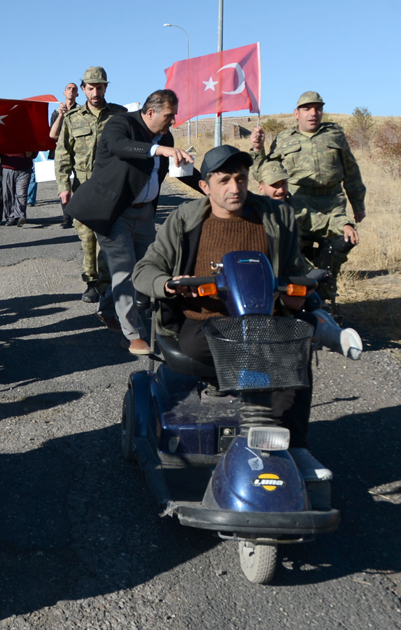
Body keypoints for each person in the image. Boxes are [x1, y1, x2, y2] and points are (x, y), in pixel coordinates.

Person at [132, 145, 330, 479]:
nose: (235, 188)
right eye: (224, 180)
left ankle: (296, 446)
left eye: (241, 178)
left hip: (265, 319)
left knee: (296, 341)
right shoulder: (185, 220)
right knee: (258, 348)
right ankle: (254, 413)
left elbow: (299, 267)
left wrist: (304, 288)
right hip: (204, 321)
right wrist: (167, 284)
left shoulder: (275, 216)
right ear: (205, 186)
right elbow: (145, 269)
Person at [65, 89, 200, 355]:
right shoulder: (121, 123)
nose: (173, 121)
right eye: (169, 115)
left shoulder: (165, 136)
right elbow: (119, 146)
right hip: (115, 212)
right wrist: (159, 149)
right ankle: (134, 333)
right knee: (125, 270)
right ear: (151, 113)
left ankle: (106, 310)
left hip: (145, 214)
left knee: (146, 267)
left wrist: (208, 185)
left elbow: (180, 170)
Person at [249, 91, 364, 301]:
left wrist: (358, 204)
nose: (313, 113)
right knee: (293, 248)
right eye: (307, 109)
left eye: (318, 109)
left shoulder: (335, 134)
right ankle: (297, 292)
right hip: (297, 203)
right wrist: (257, 149)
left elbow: (351, 170)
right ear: (296, 113)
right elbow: (266, 171)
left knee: (336, 247)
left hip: (332, 204)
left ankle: (325, 292)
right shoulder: (284, 138)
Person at [55, 67, 126, 304]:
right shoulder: (72, 119)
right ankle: (91, 282)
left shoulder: (119, 115)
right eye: (91, 87)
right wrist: (64, 186)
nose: (96, 92)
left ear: (106, 87)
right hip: (83, 187)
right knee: (87, 238)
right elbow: (63, 154)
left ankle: (105, 285)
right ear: (84, 89)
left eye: (100, 87)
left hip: (110, 187)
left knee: (105, 236)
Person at [49, 82, 79, 229]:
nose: (71, 91)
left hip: (78, 153)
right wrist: (61, 115)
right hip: (61, 152)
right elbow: (53, 135)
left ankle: (79, 216)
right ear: (64, 93)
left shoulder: (81, 111)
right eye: (69, 89)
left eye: (74, 89)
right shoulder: (56, 112)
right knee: (63, 185)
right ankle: (67, 218)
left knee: (79, 185)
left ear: (78, 94)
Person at [0, 151, 36, 227]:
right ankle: (10, 217)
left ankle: (20, 216)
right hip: (7, 167)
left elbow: (35, 143)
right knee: (7, 194)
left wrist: (33, 153)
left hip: (24, 168)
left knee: (21, 193)